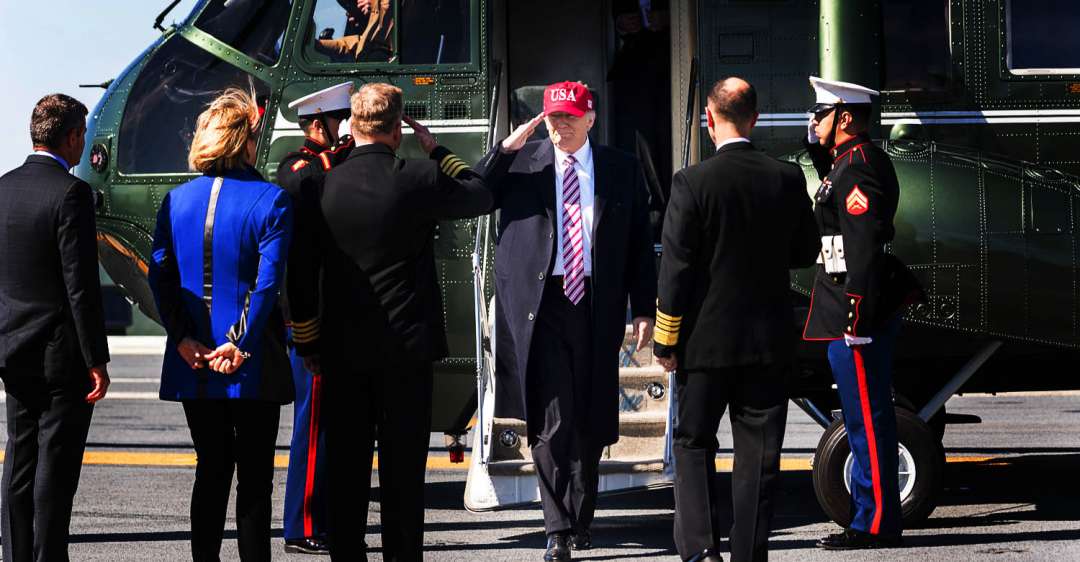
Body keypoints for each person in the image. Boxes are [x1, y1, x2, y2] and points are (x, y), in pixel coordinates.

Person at [298, 83, 490, 561]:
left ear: (352, 125)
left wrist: (309, 342)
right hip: (407, 352)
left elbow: (299, 274)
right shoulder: (418, 177)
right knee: (403, 478)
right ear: (398, 125)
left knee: (346, 474)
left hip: (342, 353)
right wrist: (437, 149)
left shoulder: (319, 184)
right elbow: (480, 193)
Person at [476, 81, 657, 561]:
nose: (560, 125)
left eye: (570, 117)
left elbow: (639, 243)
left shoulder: (621, 169)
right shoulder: (522, 165)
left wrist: (643, 307)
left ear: (590, 118)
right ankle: (556, 527)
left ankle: (581, 519)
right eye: (553, 117)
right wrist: (503, 148)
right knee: (553, 418)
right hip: (543, 303)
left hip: (595, 303)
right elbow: (470, 193)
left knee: (590, 421)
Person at [652, 78, 819, 562]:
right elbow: (805, 251)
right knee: (759, 457)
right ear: (755, 119)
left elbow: (675, 270)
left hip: (704, 345)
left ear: (709, 121)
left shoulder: (691, 183)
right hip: (767, 343)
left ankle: (703, 550)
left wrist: (666, 342)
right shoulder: (786, 178)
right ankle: (749, 553)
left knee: (694, 443)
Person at [149, 88, 294, 561]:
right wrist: (239, 345)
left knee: (210, 468)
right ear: (246, 141)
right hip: (249, 362)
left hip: (193, 357)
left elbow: (161, 275)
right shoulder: (271, 200)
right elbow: (267, 284)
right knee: (254, 477)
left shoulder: (175, 200)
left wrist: (183, 338)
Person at [802, 76, 922, 550]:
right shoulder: (848, 163)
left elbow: (864, 249)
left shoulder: (859, 169)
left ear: (845, 118)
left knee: (866, 420)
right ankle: (872, 516)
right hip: (846, 306)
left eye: (821, 114)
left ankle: (874, 523)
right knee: (860, 417)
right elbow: (829, 190)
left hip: (856, 312)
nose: (813, 122)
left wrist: (856, 318)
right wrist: (812, 140)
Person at [0, 93, 111, 562]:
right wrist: (96, 359)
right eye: (82, 136)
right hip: (59, 353)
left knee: (19, 459)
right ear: (70, 137)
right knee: (55, 467)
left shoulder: (3, 188)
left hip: (11, 346)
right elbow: (80, 285)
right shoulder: (71, 193)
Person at [276, 81, 355, 556]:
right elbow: (301, 181)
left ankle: (323, 518)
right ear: (319, 123)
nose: (346, 129)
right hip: (314, 321)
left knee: (333, 426)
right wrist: (348, 148)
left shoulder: (333, 164)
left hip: (337, 318)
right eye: (340, 120)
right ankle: (301, 524)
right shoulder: (300, 165)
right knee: (313, 426)